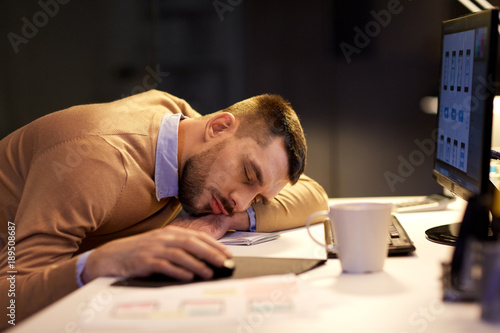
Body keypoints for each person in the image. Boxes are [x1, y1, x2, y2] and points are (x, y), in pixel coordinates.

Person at [0, 89, 328, 328]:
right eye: (248, 175)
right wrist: (101, 261)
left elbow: (314, 195)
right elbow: (9, 305)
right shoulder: (92, 166)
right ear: (219, 127)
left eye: (257, 198)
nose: (239, 202)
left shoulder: (184, 123)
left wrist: (223, 219)